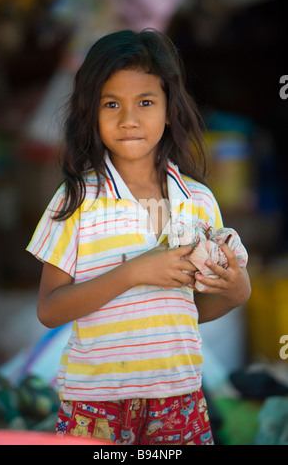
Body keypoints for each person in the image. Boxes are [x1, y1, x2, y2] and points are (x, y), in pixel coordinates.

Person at [26, 29, 251, 445]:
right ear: (91, 113)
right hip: (95, 403)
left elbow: (185, 312)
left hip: (178, 398)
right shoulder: (75, 200)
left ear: (169, 111)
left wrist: (237, 291)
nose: (129, 118)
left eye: (145, 102)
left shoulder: (198, 201)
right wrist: (133, 273)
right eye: (111, 104)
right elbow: (50, 310)